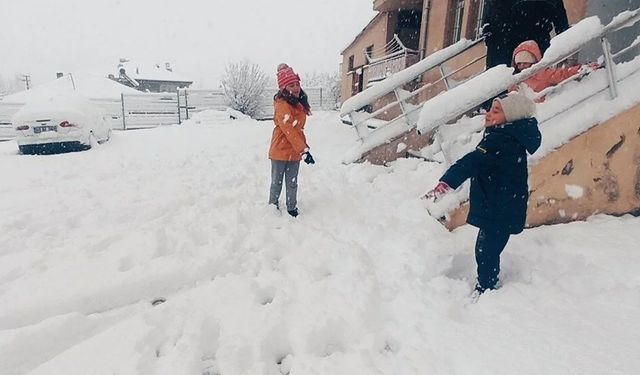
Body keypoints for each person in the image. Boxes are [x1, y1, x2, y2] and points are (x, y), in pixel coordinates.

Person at [425, 93, 541, 294]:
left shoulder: (501, 141)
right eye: (489, 110)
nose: (488, 114)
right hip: (503, 205)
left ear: (512, 117)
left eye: (496, 111)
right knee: (488, 249)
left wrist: (446, 183)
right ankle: (487, 282)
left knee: (486, 252)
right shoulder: (509, 136)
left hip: (499, 208)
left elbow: (471, 162)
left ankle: (487, 287)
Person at [268, 63, 314, 217]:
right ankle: (272, 207)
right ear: (283, 89)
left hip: (295, 150)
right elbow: (289, 130)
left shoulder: (299, 103)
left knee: (292, 182)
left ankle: (291, 207)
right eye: (291, 85)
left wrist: (304, 148)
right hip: (280, 150)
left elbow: (297, 130)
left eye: (297, 84)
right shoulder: (282, 105)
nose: (296, 88)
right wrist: (304, 150)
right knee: (277, 182)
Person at [510, 40, 599, 101]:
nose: (522, 66)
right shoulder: (518, 81)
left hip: (544, 108)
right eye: (519, 64)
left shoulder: (542, 73)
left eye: (525, 63)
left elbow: (563, 74)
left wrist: (580, 69)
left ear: (533, 61)